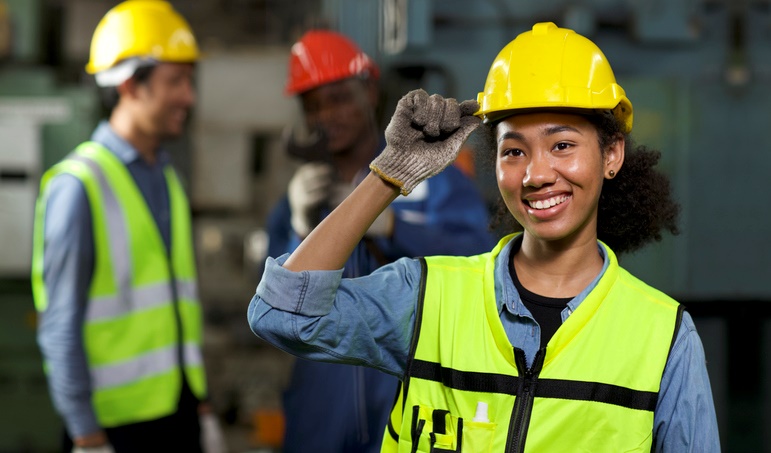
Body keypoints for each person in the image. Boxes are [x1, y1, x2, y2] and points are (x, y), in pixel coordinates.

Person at [248, 22, 720, 452]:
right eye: (514, 150)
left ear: (611, 153)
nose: (536, 174)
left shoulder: (663, 338)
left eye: (562, 145)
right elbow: (280, 315)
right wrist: (387, 176)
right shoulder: (429, 296)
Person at [264, 29, 496, 452]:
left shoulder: (431, 177)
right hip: (320, 417)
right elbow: (273, 308)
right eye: (312, 106)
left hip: (410, 403)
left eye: (337, 98)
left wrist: (394, 229)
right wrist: (300, 225)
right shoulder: (299, 200)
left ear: (369, 92)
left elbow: (483, 261)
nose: (326, 116)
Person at [31, 1, 225, 452]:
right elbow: (59, 324)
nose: (189, 97)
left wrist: (202, 407)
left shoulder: (166, 175)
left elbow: (176, 308)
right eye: (175, 81)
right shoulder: (78, 185)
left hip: (177, 416)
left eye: (189, 81)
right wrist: (85, 434)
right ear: (128, 85)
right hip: (112, 429)